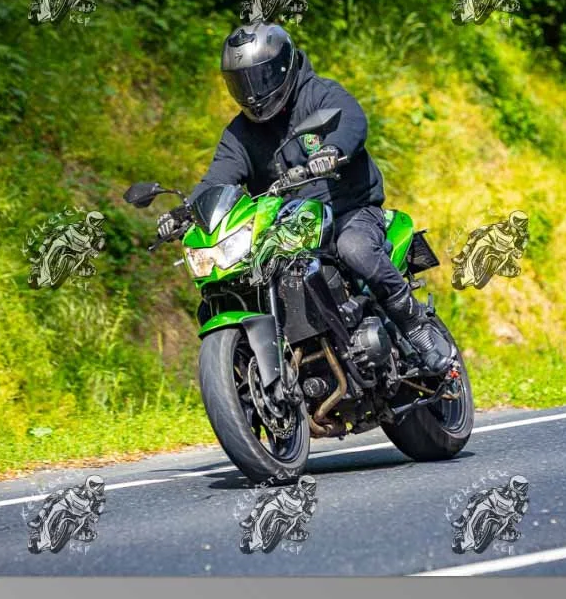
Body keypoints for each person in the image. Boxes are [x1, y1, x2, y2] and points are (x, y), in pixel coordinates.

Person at [158, 21, 454, 374]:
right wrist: (185, 212)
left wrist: (333, 149)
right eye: (242, 82)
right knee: (235, 281)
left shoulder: (319, 95)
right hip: (286, 227)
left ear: (283, 66)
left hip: (348, 211)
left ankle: (415, 325)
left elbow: (351, 121)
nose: (253, 92)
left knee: (354, 249)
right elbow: (217, 177)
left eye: (261, 78)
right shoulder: (240, 133)